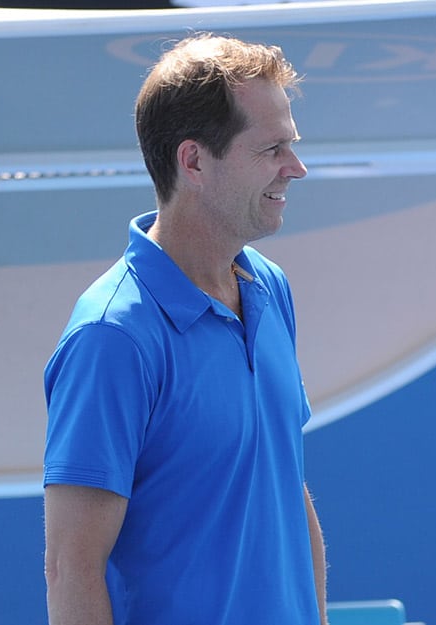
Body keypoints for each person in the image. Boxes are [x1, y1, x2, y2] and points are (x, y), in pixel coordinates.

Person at [42, 34, 326, 625]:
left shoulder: (269, 287)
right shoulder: (110, 338)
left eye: (291, 145)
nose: (295, 168)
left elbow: (285, 489)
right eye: (271, 148)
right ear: (193, 161)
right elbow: (73, 569)